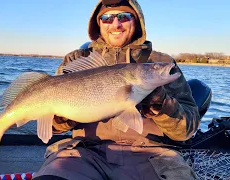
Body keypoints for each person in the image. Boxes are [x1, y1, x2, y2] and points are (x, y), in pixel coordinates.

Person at [33, 0, 200, 179]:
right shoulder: (76, 60)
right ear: (98, 23)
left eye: (124, 16)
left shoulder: (161, 61)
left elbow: (186, 131)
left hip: (152, 155)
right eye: (107, 18)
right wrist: (63, 117)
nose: (116, 24)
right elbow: (52, 127)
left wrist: (161, 105)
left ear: (136, 21)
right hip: (84, 154)